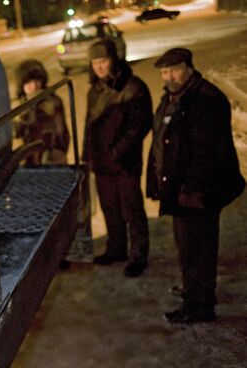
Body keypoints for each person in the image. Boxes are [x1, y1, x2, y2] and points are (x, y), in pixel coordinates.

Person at [147, 48, 245, 323]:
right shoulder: (174, 97)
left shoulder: (205, 99)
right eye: (165, 72)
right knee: (187, 245)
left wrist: (191, 189)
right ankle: (196, 290)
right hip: (180, 189)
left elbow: (208, 153)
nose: (169, 76)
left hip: (198, 191)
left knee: (198, 247)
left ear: (189, 68)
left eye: (175, 70)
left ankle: (199, 305)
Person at [83, 39, 152, 277]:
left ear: (114, 60)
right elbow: (89, 126)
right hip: (102, 164)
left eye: (103, 61)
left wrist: (117, 152)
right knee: (110, 208)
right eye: (95, 62)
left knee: (132, 210)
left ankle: (138, 255)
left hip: (124, 164)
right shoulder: (95, 90)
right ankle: (116, 248)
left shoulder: (133, 87)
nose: (99, 67)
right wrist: (87, 155)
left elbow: (139, 126)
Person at [15, 60, 70, 166]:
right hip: (26, 161)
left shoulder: (54, 102)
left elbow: (62, 132)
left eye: (37, 81)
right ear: (22, 85)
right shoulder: (17, 108)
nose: (34, 86)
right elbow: (15, 137)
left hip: (50, 159)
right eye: (28, 82)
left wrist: (59, 152)